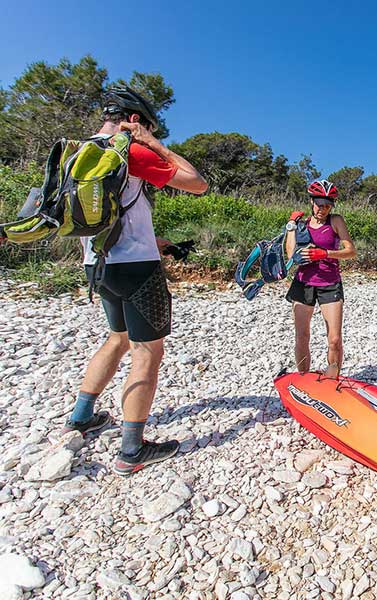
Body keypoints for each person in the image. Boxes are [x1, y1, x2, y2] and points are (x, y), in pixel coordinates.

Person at [62, 84, 208, 476]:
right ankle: (132, 449)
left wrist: (154, 239)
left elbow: (106, 212)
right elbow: (196, 182)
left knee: (118, 338)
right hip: (136, 268)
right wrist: (153, 142)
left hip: (98, 264)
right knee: (147, 352)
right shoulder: (130, 151)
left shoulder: (79, 153)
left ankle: (81, 416)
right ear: (133, 120)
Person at [284, 180, 357, 378]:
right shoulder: (301, 225)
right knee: (302, 336)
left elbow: (350, 251)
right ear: (311, 201)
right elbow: (291, 256)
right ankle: (303, 378)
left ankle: (332, 380)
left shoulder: (335, 221)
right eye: (319, 204)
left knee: (334, 339)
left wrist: (325, 254)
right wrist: (291, 226)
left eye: (327, 205)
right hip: (303, 283)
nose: (322, 209)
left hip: (329, 283)